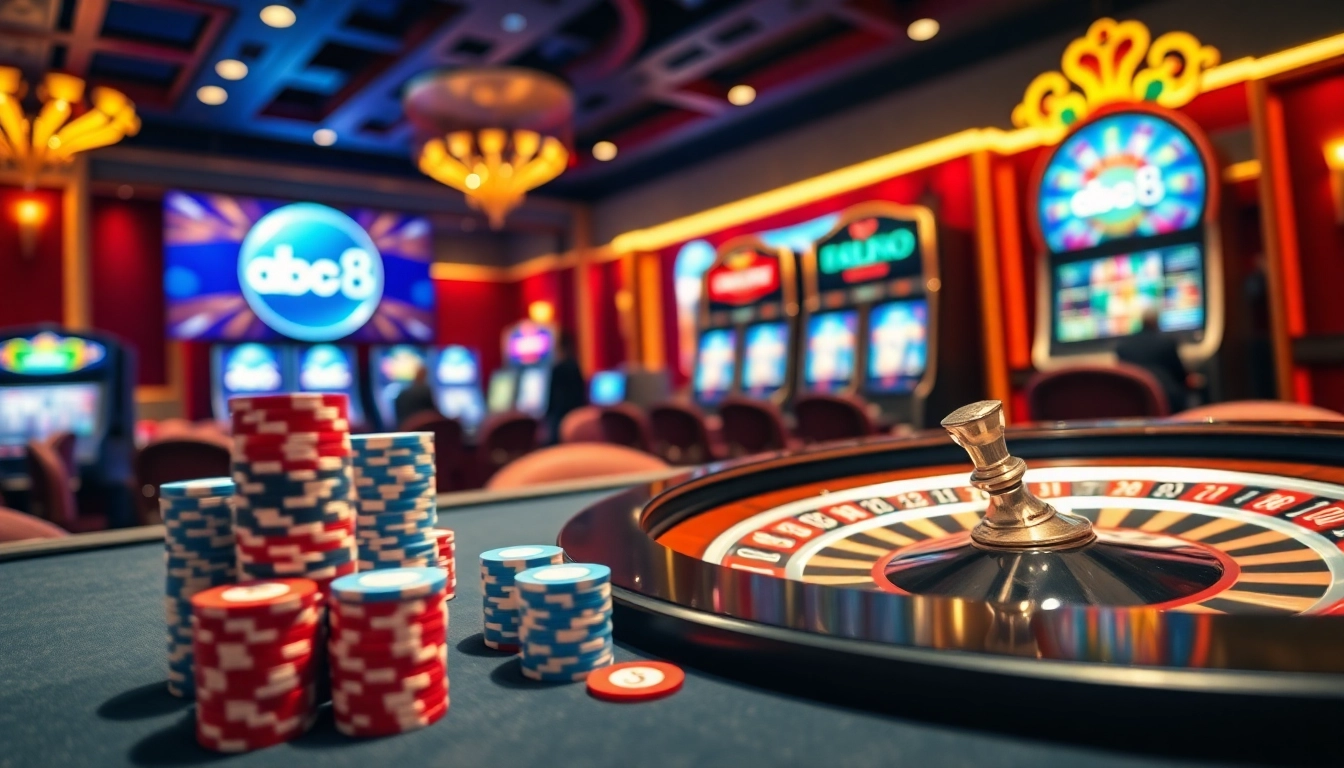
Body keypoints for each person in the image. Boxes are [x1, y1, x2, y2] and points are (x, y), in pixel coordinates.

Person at [1116, 308, 1189, 413]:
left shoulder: (1123, 346)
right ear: (1156, 321)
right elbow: (1180, 376)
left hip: (1134, 402)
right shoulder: (1166, 342)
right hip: (1169, 401)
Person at [545, 332, 588, 445]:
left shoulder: (557, 369)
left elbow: (551, 398)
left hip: (559, 416)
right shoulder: (575, 365)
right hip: (576, 414)